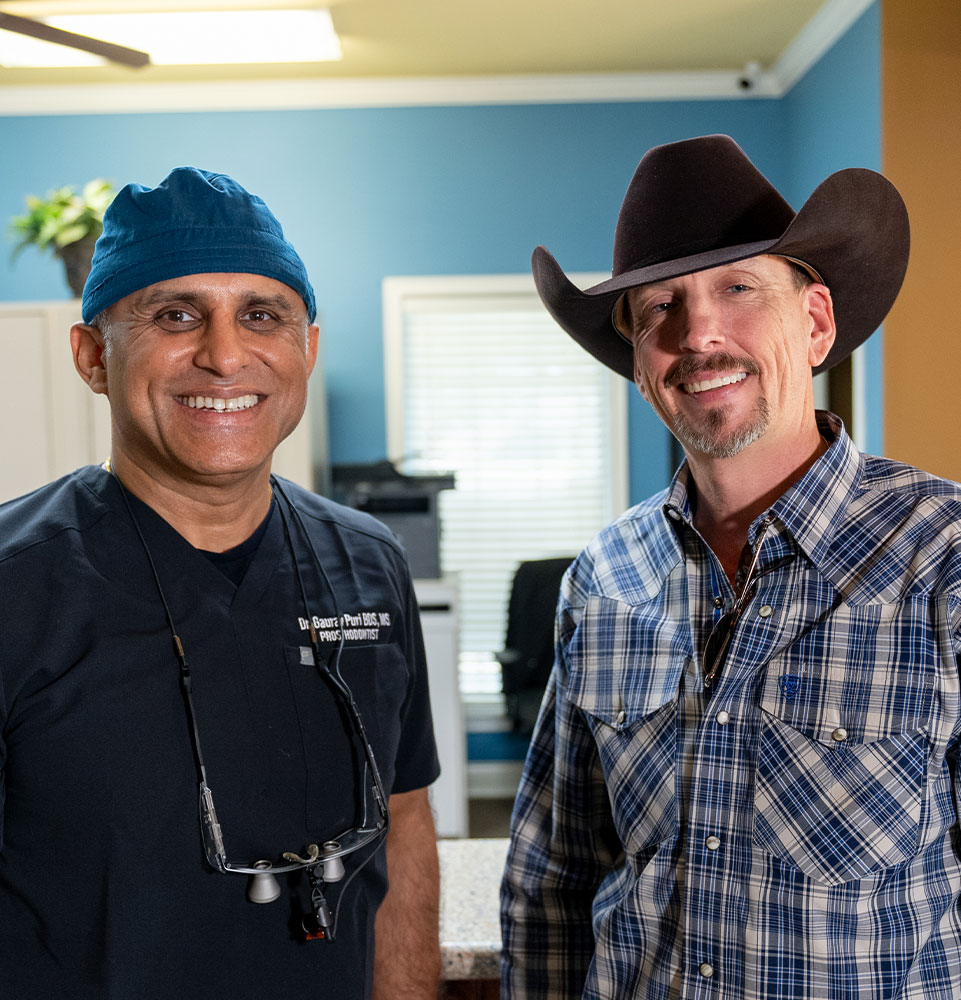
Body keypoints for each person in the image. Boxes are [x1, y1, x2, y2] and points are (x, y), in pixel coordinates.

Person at [501, 134, 961, 999]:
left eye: (738, 289)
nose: (698, 331)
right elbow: (551, 881)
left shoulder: (943, 557)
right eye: (658, 307)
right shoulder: (601, 580)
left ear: (815, 321)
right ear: (640, 365)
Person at [0, 167, 441, 999]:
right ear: (93, 356)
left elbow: (405, 823)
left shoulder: (370, 562)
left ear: (304, 351)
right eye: (175, 315)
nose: (226, 355)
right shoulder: (17, 585)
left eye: (263, 315)